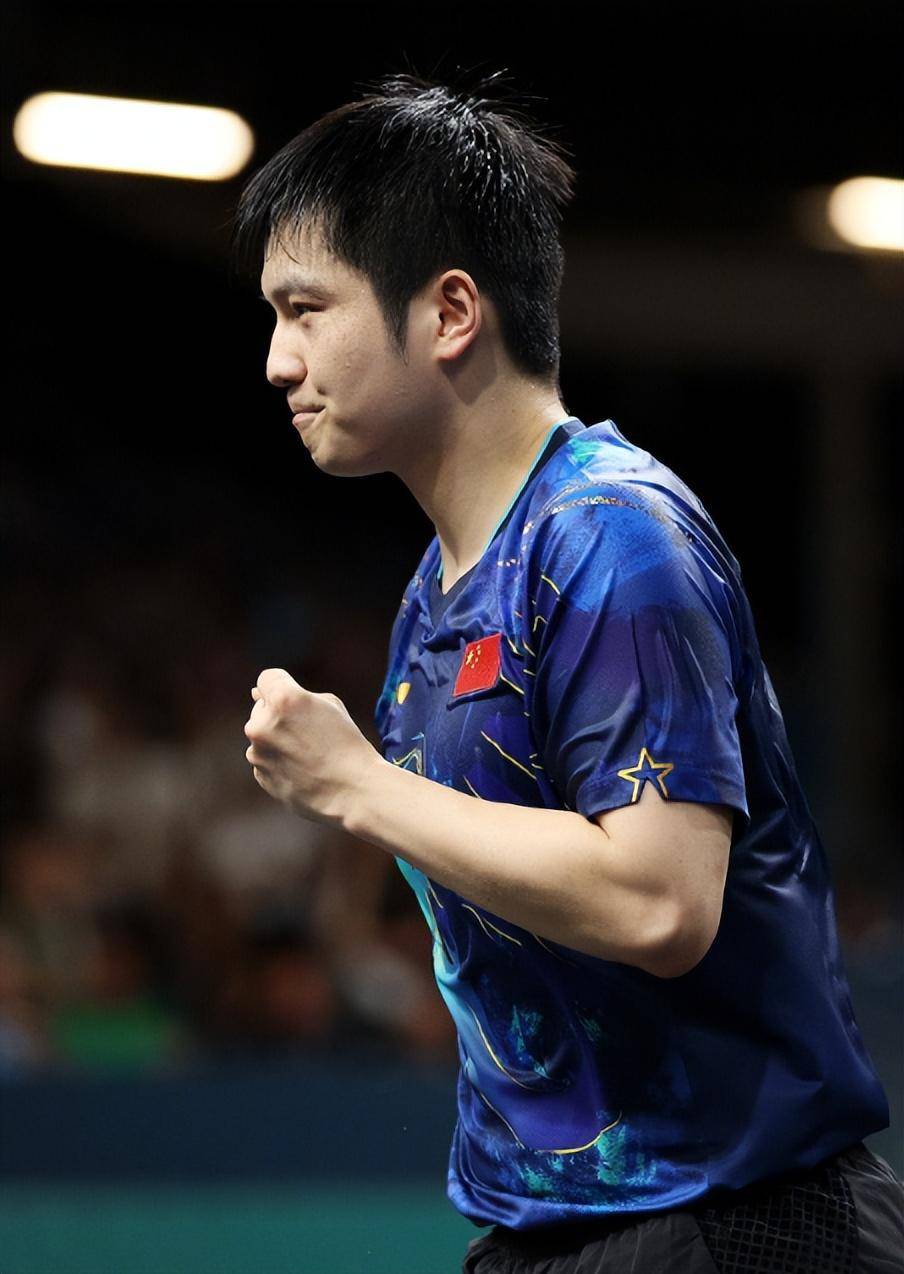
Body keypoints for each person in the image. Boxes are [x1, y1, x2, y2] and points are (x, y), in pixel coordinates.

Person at [235, 72, 902, 1273]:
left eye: (306, 309)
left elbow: (659, 901)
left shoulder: (609, 535)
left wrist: (356, 783)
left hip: (734, 1223)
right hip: (548, 1229)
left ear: (450, 312)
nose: (279, 361)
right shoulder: (436, 598)